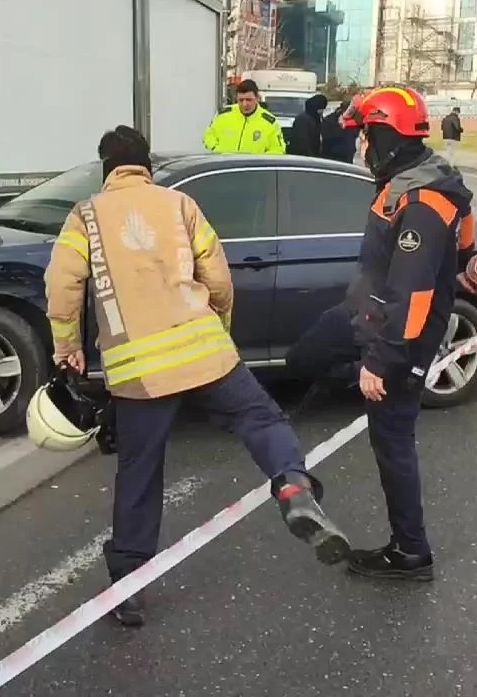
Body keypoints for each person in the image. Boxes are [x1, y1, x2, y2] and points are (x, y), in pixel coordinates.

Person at [46, 125, 349, 626]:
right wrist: (218, 332)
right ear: (146, 164)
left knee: (139, 476)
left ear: (106, 168)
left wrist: (67, 346)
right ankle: (293, 486)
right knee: (262, 419)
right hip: (206, 352)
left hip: (139, 371)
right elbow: (219, 277)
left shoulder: (86, 216)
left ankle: (130, 588)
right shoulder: (180, 206)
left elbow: (62, 285)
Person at [284, 86, 477, 582]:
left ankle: (411, 552)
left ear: (387, 136)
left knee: (391, 440)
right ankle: (337, 387)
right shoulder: (413, 178)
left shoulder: (422, 200)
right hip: (367, 317)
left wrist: (380, 362)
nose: (361, 148)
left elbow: (412, 295)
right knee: (303, 358)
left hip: (397, 339)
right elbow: (465, 245)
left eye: (366, 137)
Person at [204, 80, 287, 154]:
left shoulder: (269, 122)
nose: (244, 104)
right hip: (225, 167)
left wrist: (259, 162)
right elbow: (208, 136)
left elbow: (278, 150)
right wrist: (217, 150)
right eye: (241, 100)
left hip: (251, 169)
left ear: (257, 98)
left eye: (248, 100)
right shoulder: (223, 115)